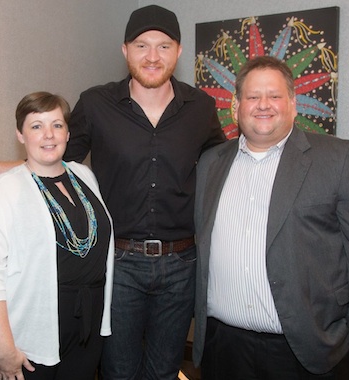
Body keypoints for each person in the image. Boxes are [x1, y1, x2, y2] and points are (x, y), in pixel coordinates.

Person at [61, 5, 226, 380]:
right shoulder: (95, 103)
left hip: (183, 264)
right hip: (119, 264)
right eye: (142, 45)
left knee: (165, 371)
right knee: (118, 371)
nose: (153, 56)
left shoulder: (201, 107)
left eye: (164, 46)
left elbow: (224, 165)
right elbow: (57, 161)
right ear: (125, 50)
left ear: (178, 51)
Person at [193, 55, 349, 379]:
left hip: (309, 349)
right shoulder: (210, 162)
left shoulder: (340, 158)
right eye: (252, 96)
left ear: (293, 103)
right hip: (224, 349)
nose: (264, 105)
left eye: (275, 96)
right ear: (236, 106)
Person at [0, 92, 114, 380]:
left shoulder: (85, 176)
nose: (48, 135)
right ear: (20, 135)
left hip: (86, 326)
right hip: (29, 334)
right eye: (36, 126)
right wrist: (5, 349)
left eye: (57, 125)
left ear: (68, 132)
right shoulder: (3, 191)